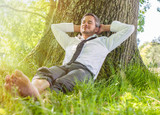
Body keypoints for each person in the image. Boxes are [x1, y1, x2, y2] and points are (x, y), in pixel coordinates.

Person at [5, 13, 135, 99]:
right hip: (64, 67)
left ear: (97, 28)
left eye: (90, 22)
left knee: (65, 81)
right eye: (83, 22)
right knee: (46, 71)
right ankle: (32, 89)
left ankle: (38, 98)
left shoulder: (105, 43)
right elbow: (55, 27)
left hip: (84, 71)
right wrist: (80, 28)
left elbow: (129, 29)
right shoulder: (71, 41)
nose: (85, 23)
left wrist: (104, 27)